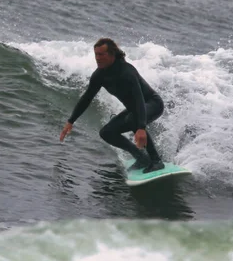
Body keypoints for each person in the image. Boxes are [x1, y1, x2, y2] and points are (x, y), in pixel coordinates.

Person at [59, 38, 165, 173]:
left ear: (112, 54)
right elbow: (87, 98)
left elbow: (139, 100)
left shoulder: (127, 72)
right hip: (134, 111)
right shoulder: (99, 75)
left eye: (101, 55)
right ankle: (141, 157)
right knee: (106, 132)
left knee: (133, 119)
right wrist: (70, 121)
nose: (97, 58)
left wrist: (141, 127)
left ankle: (156, 161)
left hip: (152, 104)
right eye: (96, 54)